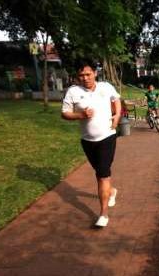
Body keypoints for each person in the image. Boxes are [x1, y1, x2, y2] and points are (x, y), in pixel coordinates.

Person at [61, 59, 121, 228]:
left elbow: (116, 99)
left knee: (102, 175)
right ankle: (113, 191)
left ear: (95, 73)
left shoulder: (106, 87)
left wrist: (116, 115)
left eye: (88, 74)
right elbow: (64, 113)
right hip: (87, 141)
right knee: (100, 173)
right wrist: (80, 115)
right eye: (81, 75)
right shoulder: (73, 92)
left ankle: (103, 214)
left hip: (107, 137)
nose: (85, 78)